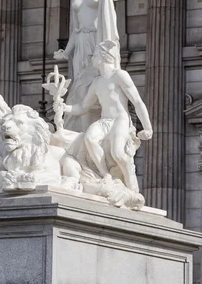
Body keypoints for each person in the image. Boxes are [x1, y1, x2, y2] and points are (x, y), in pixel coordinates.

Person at [54, 40, 152, 192]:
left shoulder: (120, 75)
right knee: (89, 138)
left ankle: (130, 179)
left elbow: (138, 102)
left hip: (120, 120)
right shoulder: (97, 82)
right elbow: (83, 107)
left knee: (118, 153)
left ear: (103, 57)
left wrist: (148, 128)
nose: (92, 58)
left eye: (94, 55)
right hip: (105, 120)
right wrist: (64, 107)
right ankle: (106, 175)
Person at [53, 0, 122, 132]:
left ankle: (100, 125)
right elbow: (75, 30)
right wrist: (66, 52)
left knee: (97, 80)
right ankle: (81, 129)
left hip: (97, 40)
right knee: (81, 85)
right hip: (82, 43)